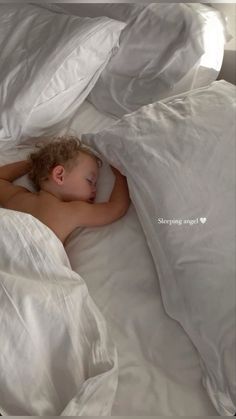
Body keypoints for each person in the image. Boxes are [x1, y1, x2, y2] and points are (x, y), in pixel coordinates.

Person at [0, 136, 130, 245]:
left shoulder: (18, 196)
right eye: (90, 181)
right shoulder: (71, 211)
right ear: (59, 175)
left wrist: (32, 164)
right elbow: (115, 208)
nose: (95, 190)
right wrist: (120, 175)